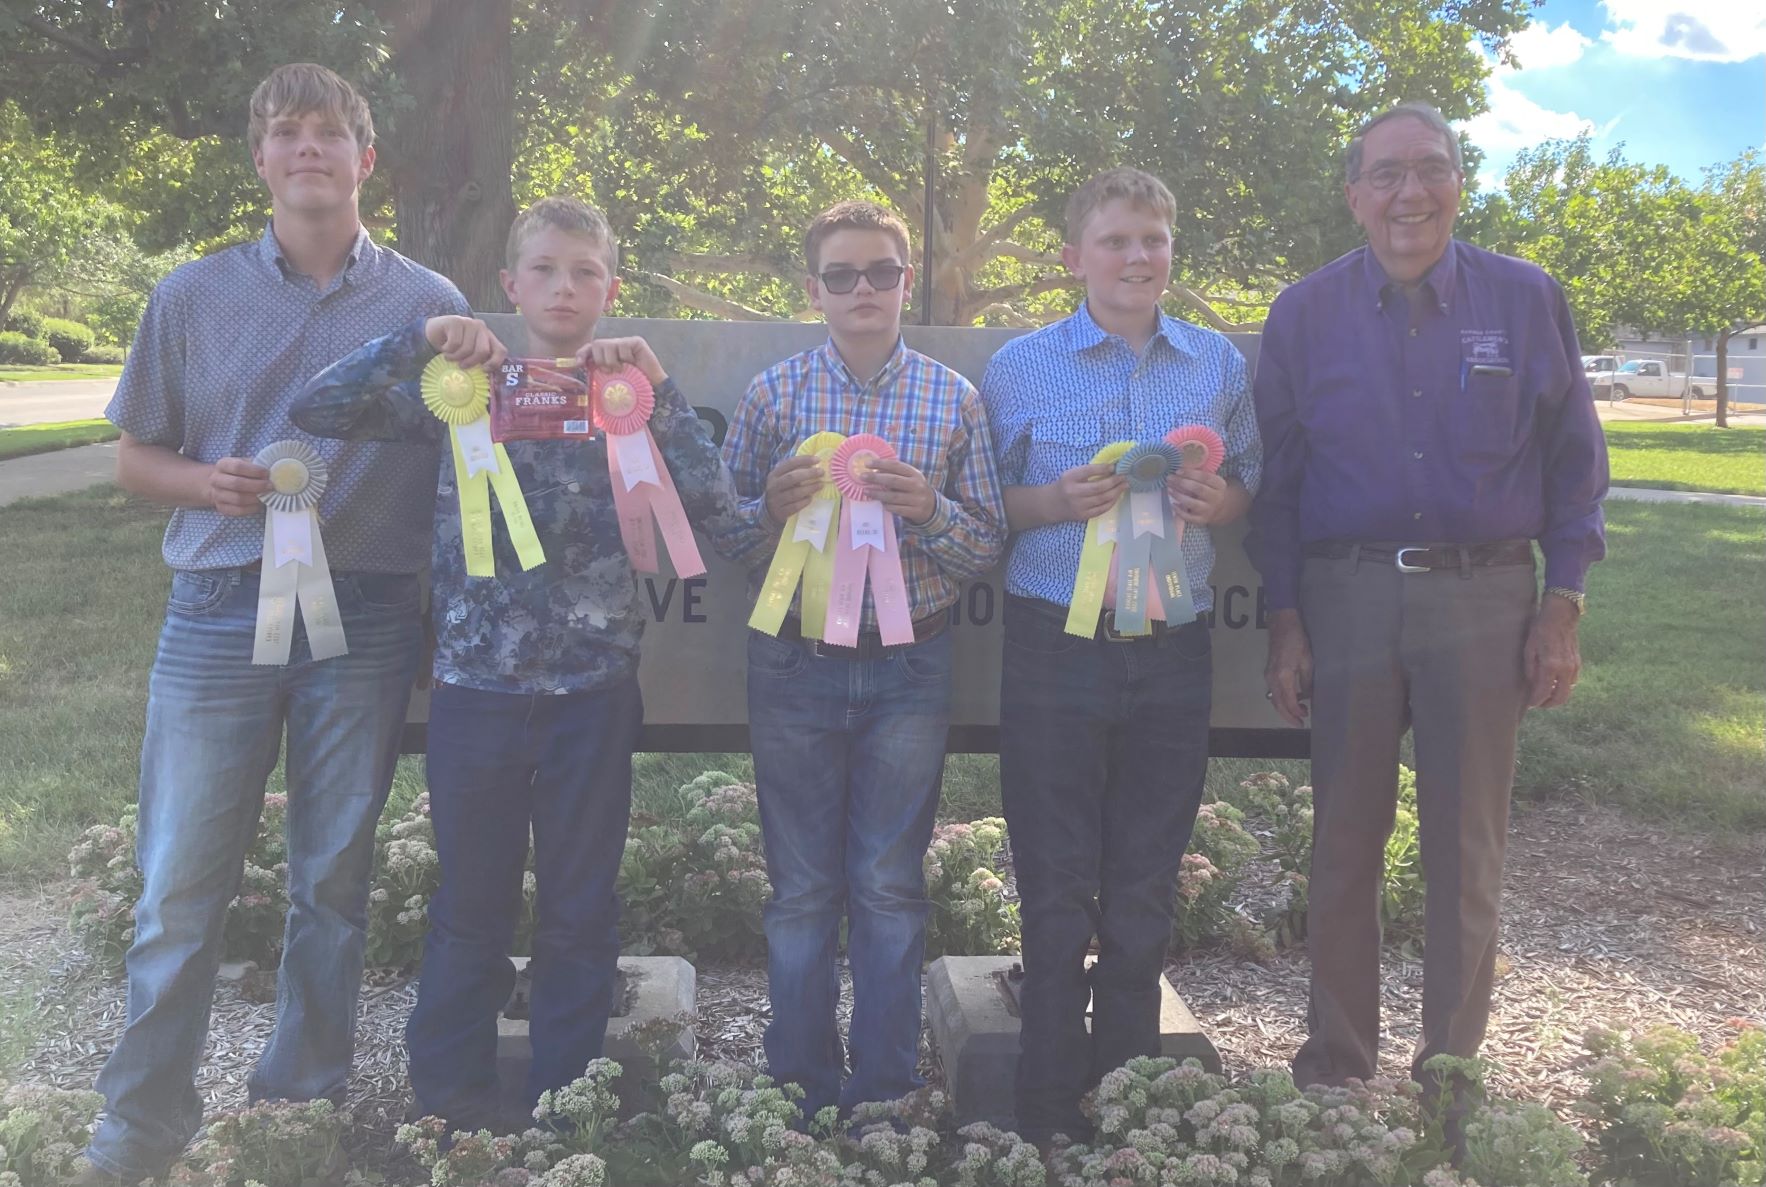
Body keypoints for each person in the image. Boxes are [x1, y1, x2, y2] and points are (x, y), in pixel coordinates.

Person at [81, 63, 469, 1184]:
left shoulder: (426, 304)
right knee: (178, 882)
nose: (309, 150)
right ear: (259, 159)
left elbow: (473, 457)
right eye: (287, 134)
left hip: (368, 615)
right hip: (216, 608)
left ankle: (297, 1101)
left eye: (330, 134)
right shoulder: (188, 298)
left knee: (333, 878)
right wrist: (203, 485)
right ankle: (142, 1120)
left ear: (365, 159)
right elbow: (131, 454)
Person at [291, 196, 736, 1129]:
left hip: (594, 693)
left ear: (611, 288)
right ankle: (449, 1098)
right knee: (471, 903)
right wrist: (420, 341)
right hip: (474, 693)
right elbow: (315, 405)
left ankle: (566, 1095)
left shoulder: (629, 395)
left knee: (580, 905)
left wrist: (661, 385)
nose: (564, 287)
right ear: (510, 285)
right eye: (544, 269)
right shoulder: (466, 382)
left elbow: (713, 503)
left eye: (585, 271)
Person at [1247, 101, 1608, 1094]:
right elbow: (1276, 481)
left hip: (1485, 598)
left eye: (1430, 168)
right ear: (1353, 193)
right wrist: (1283, 616)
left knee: (1465, 849)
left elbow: (1575, 462)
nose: (1409, 192)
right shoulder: (1303, 311)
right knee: (1342, 844)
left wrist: (1561, 601)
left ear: (1458, 180)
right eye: (1386, 174)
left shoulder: (1525, 298)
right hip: (1346, 595)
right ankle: (1334, 1067)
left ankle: (1448, 1074)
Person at [981, 167, 1262, 1145]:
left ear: (1169, 252)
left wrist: (1214, 502)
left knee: (1143, 885)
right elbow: (982, 505)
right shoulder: (1018, 365)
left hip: (1171, 648)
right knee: (1056, 886)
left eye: (1153, 239)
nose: (1137, 257)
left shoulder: (1216, 365)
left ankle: (1129, 1101)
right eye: (1115, 240)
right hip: (1054, 645)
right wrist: (1052, 503)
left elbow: (1248, 485)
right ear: (1073, 258)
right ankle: (1048, 1107)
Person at [714, 200, 1007, 1121]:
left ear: (905, 281)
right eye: (842, 275)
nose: (863, 289)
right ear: (815, 290)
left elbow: (987, 545)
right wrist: (766, 508)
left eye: (881, 270)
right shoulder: (772, 395)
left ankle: (883, 1087)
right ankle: (798, 1080)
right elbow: (725, 534)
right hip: (794, 660)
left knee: (889, 884)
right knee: (800, 889)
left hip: (910, 664)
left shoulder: (954, 399)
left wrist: (931, 509)